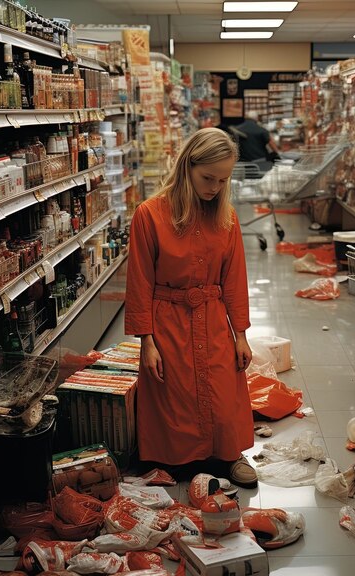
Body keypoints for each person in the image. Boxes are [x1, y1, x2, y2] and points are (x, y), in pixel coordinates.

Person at [125, 128, 257, 488]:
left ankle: (229, 455)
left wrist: (241, 335)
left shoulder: (225, 217)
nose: (214, 187)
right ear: (187, 167)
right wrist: (146, 341)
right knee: (174, 392)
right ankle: (177, 459)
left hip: (212, 317)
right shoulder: (149, 215)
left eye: (222, 180)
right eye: (207, 178)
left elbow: (234, 280)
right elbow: (139, 283)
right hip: (167, 318)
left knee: (222, 388)